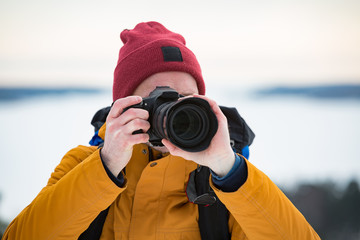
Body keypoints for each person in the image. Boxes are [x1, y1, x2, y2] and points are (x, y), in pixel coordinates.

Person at [2, 21, 320, 240]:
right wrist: (108, 164)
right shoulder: (83, 165)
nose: (174, 111)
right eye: (157, 99)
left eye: (186, 100)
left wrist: (229, 169)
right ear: (123, 106)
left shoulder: (225, 182)